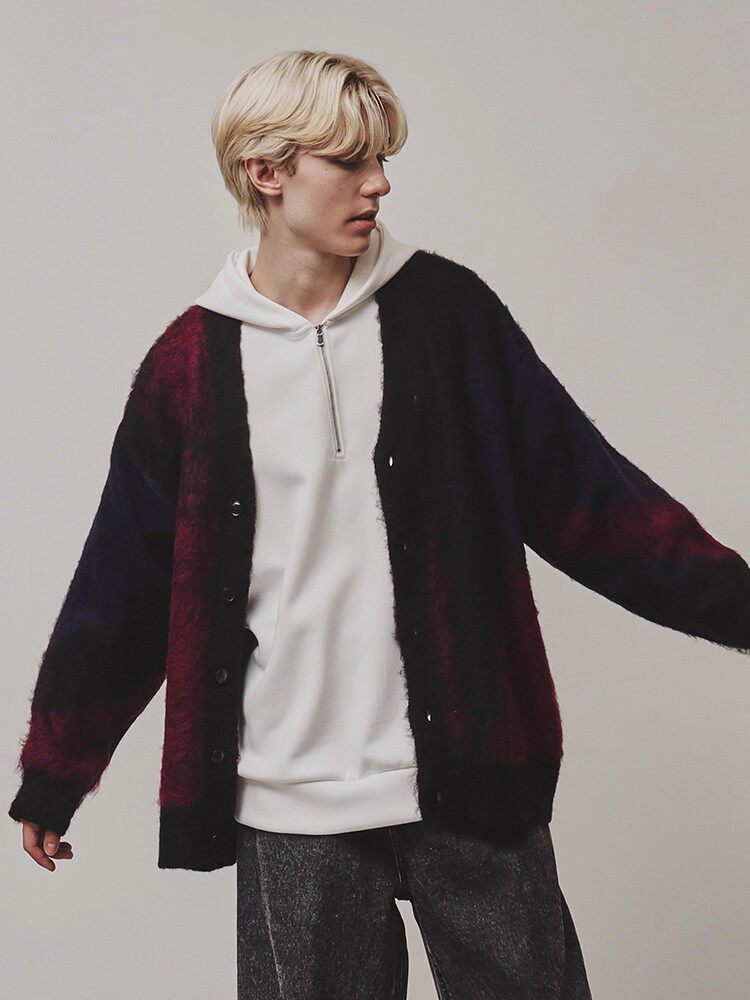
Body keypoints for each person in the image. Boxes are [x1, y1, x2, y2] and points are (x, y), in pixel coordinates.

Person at [10, 49, 749, 1000]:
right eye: (350, 160)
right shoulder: (188, 366)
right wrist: (57, 770)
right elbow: (124, 583)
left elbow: (588, 498)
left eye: (382, 158)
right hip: (289, 801)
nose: (380, 183)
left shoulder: (449, 318)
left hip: (468, 776)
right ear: (266, 172)